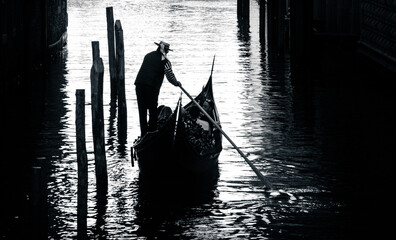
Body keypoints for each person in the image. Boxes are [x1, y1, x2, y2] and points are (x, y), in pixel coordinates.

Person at [135, 41, 182, 136]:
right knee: (152, 110)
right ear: (166, 50)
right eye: (167, 51)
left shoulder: (148, 55)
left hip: (139, 85)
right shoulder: (166, 61)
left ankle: (144, 134)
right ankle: (152, 132)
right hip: (151, 87)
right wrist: (177, 83)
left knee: (142, 110)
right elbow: (170, 77)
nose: (167, 53)